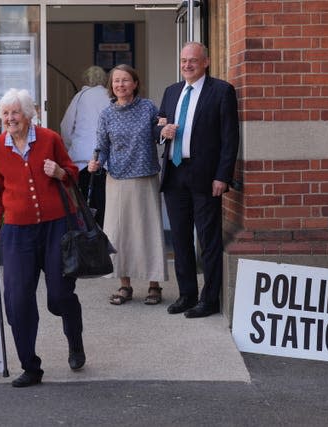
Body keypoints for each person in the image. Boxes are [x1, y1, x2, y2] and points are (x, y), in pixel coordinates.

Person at [0, 88, 85, 388]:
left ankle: (75, 340)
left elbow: (72, 173)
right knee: (17, 300)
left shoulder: (49, 139)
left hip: (56, 227)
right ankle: (30, 366)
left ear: (28, 115)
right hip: (17, 231)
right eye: (5, 113)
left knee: (59, 296)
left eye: (15, 113)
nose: (9, 118)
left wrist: (60, 172)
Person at [157, 41, 240, 318]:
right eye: (183, 60)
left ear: (205, 62)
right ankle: (187, 294)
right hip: (174, 172)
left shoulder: (222, 91)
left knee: (208, 238)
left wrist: (222, 176)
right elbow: (157, 125)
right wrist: (162, 132)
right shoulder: (171, 92)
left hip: (205, 176)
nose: (187, 65)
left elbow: (230, 139)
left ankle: (209, 299)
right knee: (180, 239)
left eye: (193, 60)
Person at [88, 64, 168, 306]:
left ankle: (154, 286)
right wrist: (96, 163)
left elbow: (160, 134)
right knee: (119, 234)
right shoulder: (107, 114)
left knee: (148, 232)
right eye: (116, 81)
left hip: (145, 178)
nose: (120, 85)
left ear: (135, 83)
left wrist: (164, 129)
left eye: (125, 80)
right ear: (111, 86)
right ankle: (125, 286)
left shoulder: (148, 108)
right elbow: (102, 147)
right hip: (117, 180)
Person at [60, 66, 110, 226]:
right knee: (105, 205)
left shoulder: (80, 97)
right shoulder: (111, 96)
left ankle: (89, 240)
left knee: (85, 207)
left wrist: (70, 147)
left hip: (82, 161)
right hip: (107, 161)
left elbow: (65, 127)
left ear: (86, 80)